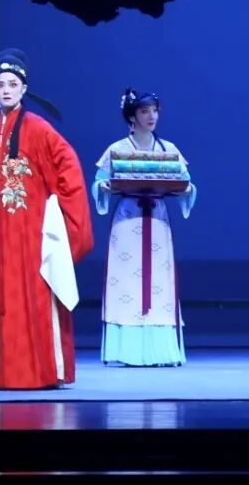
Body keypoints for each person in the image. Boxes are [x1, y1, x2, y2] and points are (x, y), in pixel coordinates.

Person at [0, 49, 94, 390]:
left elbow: (68, 166)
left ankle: (34, 371)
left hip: (28, 231)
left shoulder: (38, 128)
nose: (6, 90)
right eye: (0, 85)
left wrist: (56, 212)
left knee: (29, 297)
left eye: (12, 85)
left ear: (24, 88)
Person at [91, 88, 197, 366]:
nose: (152, 116)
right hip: (128, 219)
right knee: (126, 281)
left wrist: (187, 190)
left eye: (155, 111)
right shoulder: (117, 149)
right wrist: (103, 186)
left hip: (157, 219)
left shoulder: (168, 149)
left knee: (159, 282)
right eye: (144, 111)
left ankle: (161, 350)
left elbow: (187, 181)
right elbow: (98, 181)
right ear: (132, 116)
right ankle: (126, 350)